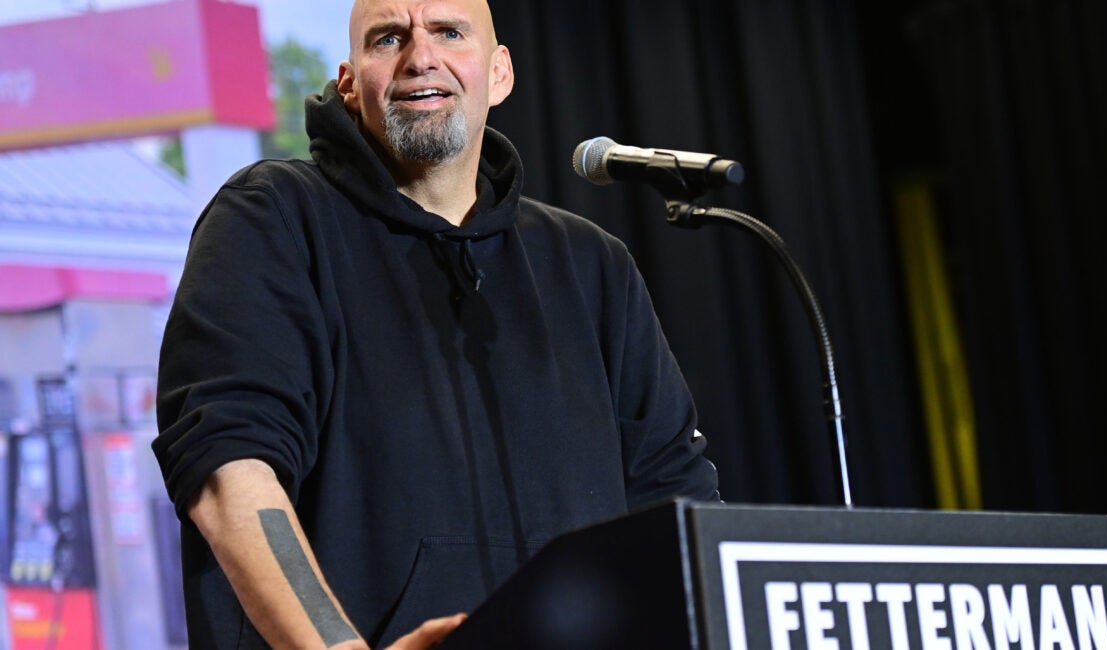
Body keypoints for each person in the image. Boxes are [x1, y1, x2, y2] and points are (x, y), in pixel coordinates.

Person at [151, 0, 720, 647]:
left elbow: (675, 501)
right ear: (348, 83)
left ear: (499, 74)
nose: (420, 56)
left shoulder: (589, 264)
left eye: (449, 32)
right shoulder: (272, 218)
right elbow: (228, 467)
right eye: (387, 38)